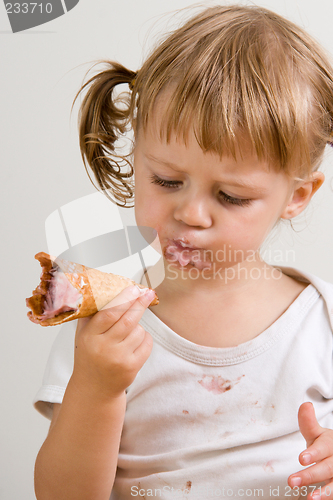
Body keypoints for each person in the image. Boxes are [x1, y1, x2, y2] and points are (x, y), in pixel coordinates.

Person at [33, 4, 333, 500]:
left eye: (231, 196)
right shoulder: (103, 330)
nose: (191, 213)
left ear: (298, 195)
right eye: (167, 180)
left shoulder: (322, 321)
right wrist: (97, 387)